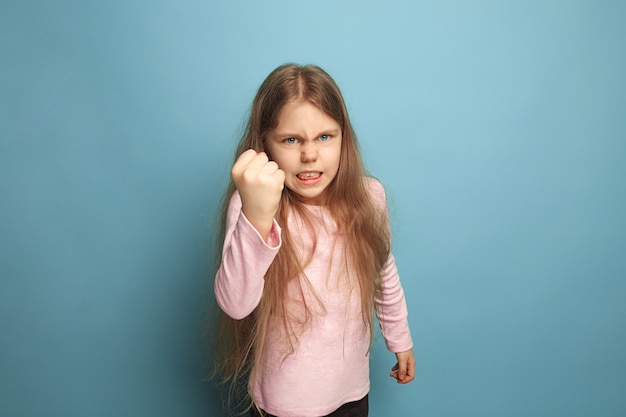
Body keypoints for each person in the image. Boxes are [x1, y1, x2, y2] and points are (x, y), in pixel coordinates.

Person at [211, 63, 414, 417]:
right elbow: (236, 303)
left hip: (352, 392)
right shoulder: (253, 209)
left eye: (324, 137)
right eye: (291, 140)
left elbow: (383, 271)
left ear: (343, 137)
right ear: (265, 144)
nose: (309, 154)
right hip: (287, 402)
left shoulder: (370, 197)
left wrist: (400, 338)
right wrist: (258, 217)